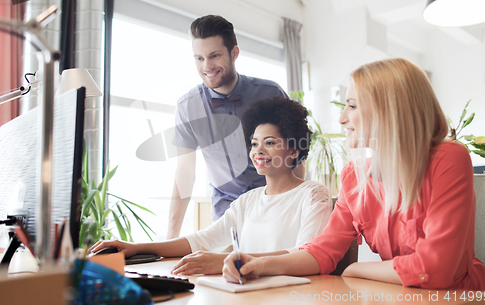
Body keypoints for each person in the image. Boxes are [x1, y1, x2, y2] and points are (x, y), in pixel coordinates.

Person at [223, 58, 485, 292]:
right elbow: (323, 250)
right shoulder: (354, 175)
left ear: (389, 109)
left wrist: (356, 269)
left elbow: (435, 270)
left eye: (352, 106)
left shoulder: (449, 158)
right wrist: (260, 265)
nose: (342, 118)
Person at [91, 97, 332, 275]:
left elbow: (304, 255)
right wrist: (136, 247)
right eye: (254, 143)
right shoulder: (248, 201)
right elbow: (201, 240)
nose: (258, 151)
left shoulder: (313, 195)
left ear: (293, 150)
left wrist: (235, 260)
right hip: (247, 296)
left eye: (269, 143)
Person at [167, 14, 303, 239]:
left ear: (234, 53)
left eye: (214, 56)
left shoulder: (270, 93)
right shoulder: (187, 107)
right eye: (199, 58)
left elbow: (296, 153)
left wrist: (295, 203)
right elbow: (184, 173)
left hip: (275, 205)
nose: (207, 66)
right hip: (226, 213)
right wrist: (170, 240)